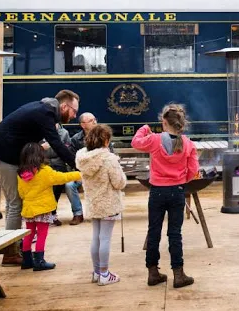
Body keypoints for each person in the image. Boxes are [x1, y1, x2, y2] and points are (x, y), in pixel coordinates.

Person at [0, 90, 79, 266]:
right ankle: (11, 253)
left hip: (7, 154)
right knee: (15, 202)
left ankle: (17, 249)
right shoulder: (45, 114)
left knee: (16, 202)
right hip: (1, 155)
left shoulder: (43, 110)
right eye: (74, 111)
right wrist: (79, 164)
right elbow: (56, 143)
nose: (74, 115)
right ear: (64, 106)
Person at [131, 103, 199, 288]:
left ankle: (153, 273)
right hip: (177, 191)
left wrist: (144, 128)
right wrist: (180, 179)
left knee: (154, 231)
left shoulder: (153, 139)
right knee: (175, 233)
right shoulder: (187, 143)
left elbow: (135, 142)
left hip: (157, 191)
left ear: (163, 121)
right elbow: (193, 170)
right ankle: (178, 274)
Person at [76, 124, 127, 286]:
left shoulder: (83, 158)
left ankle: (97, 272)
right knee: (105, 238)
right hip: (108, 204)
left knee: (96, 238)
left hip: (93, 203)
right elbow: (119, 183)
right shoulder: (109, 158)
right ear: (105, 140)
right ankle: (105, 274)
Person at [17, 142, 81, 271]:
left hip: (28, 209)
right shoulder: (44, 171)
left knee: (29, 234)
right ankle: (39, 261)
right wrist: (80, 174)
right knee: (41, 234)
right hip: (43, 209)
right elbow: (62, 177)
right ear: (40, 155)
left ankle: (27, 261)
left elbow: (21, 193)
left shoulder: (21, 173)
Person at [64, 112, 106, 226]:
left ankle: (102, 212)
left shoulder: (103, 136)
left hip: (100, 172)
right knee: (69, 185)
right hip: (82, 172)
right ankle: (78, 214)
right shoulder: (75, 139)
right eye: (91, 120)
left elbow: (110, 154)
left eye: (95, 119)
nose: (95, 122)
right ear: (83, 124)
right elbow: (72, 160)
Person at [42, 122, 73, 226]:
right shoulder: (40, 131)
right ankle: (44, 216)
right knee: (45, 191)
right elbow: (32, 148)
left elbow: (68, 150)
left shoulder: (64, 133)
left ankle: (53, 214)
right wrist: (41, 147)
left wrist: (68, 168)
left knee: (56, 192)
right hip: (43, 164)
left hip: (59, 164)